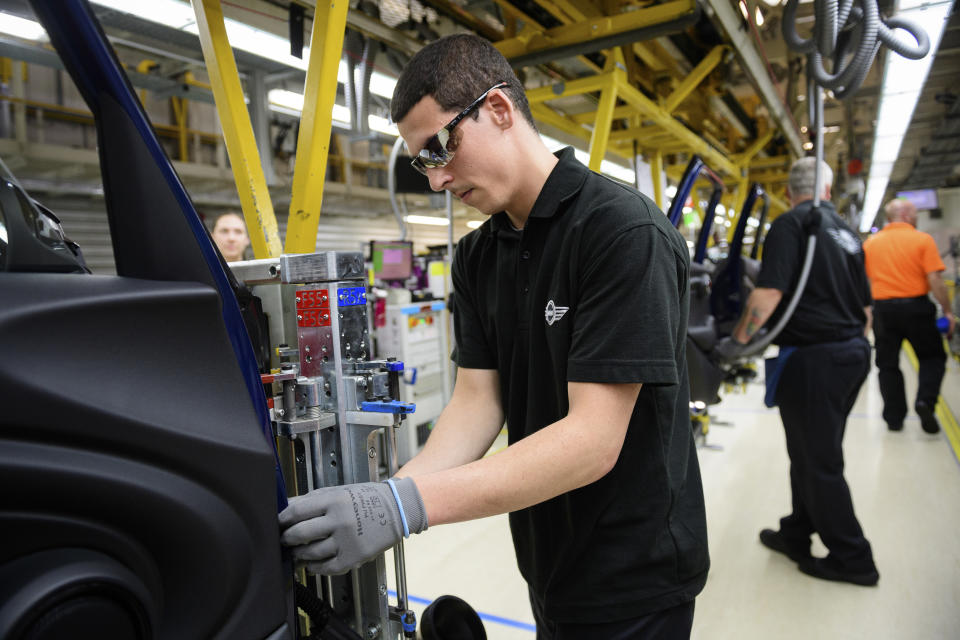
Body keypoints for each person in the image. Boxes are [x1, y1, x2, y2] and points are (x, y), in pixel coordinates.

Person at [279, 33, 709, 638]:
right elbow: (480, 401)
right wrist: (386, 498)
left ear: (500, 109)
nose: (436, 179)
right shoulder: (478, 255)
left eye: (439, 147)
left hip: (634, 573)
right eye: (422, 162)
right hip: (546, 559)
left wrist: (407, 508)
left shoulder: (622, 232)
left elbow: (593, 439)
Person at [720, 157, 878, 587]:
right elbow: (866, 308)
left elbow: (769, 293)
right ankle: (796, 532)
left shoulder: (793, 225)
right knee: (809, 454)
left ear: (791, 191)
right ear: (827, 190)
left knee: (819, 462)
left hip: (815, 360)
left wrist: (736, 343)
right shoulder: (846, 232)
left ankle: (853, 557)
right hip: (851, 354)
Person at [863, 198, 954, 434]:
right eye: (914, 213)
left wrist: (867, 315)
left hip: (883, 311)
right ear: (905, 215)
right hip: (917, 308)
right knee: (932, 358)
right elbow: (935, 279)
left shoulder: (871, 244)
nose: (916, 218)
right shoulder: (922, 240)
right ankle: (925, 401)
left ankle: (894, 418)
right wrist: (947, 310)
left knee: (887, 364)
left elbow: (864, 282)